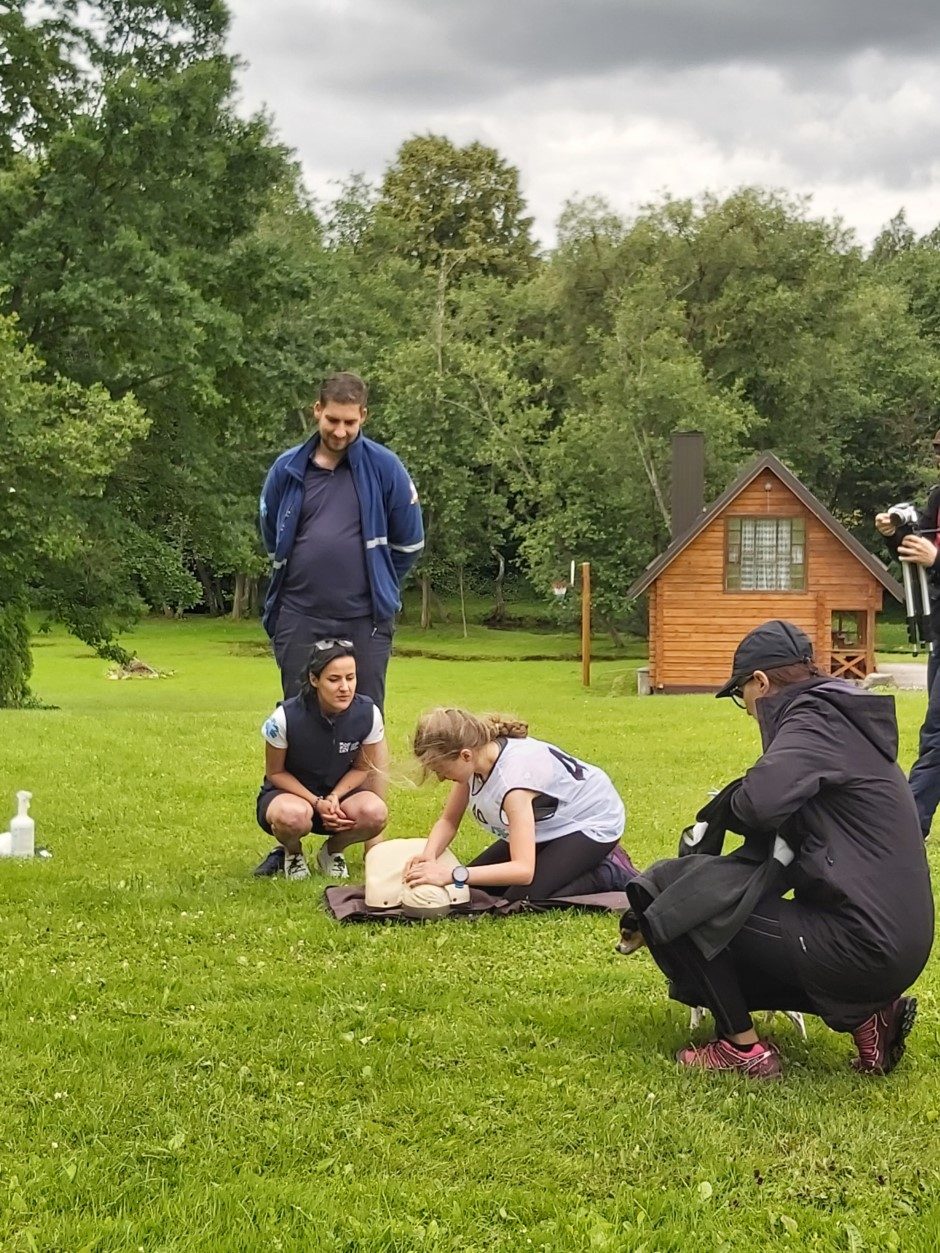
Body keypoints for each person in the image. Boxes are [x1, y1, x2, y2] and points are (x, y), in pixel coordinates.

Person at [626, 620, 933, 1079]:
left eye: (741, 695)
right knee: (685, 893)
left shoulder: (813, 719)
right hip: (892, 943)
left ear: (762, 683)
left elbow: (759, 804)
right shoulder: (841, 722)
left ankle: (741, 1051)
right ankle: (870, 1015)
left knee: (665, 891)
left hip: (863, 943)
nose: (747, 710)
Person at [259, 371, 424, 710]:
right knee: (298, 716)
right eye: (332, 419)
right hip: (299, 615)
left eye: (350, 422)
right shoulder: (287, 469)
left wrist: (376, 580)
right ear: (316, 410)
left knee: (366, 717)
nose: (340, 431)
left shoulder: (386, 468)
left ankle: (366, 768)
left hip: (365, 619)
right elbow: (272, 535)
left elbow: (409, 544)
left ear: (363, 415)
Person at [404, 708, 635, 901]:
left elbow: (523, 870)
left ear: (465, 755)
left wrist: (451, 874)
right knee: (475, 892)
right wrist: (429, 856)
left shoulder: (512, 784)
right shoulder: (476, 760)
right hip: (552, 823)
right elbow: (448, 821)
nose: (442, 778)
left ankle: (608, 871)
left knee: (518, 900)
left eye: (441, 770)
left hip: (592, 821)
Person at [253, 640, 389, 881]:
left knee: (375, 812)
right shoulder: (283, 718)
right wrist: (317, 802)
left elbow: (362, 768)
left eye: (351, 677)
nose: (345, 687)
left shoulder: (369, 713)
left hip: (340, 801)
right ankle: (293, 854)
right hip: (291, 797)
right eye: (334, 679)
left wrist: (335, 797)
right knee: (291, 816)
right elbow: (275, 773)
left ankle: (332, 851)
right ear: (314, 680)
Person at [875, 440, 940, 839]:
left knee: (937, 734)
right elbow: (918, 554)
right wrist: (895, 534)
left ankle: (902, 832)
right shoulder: (937, 498)